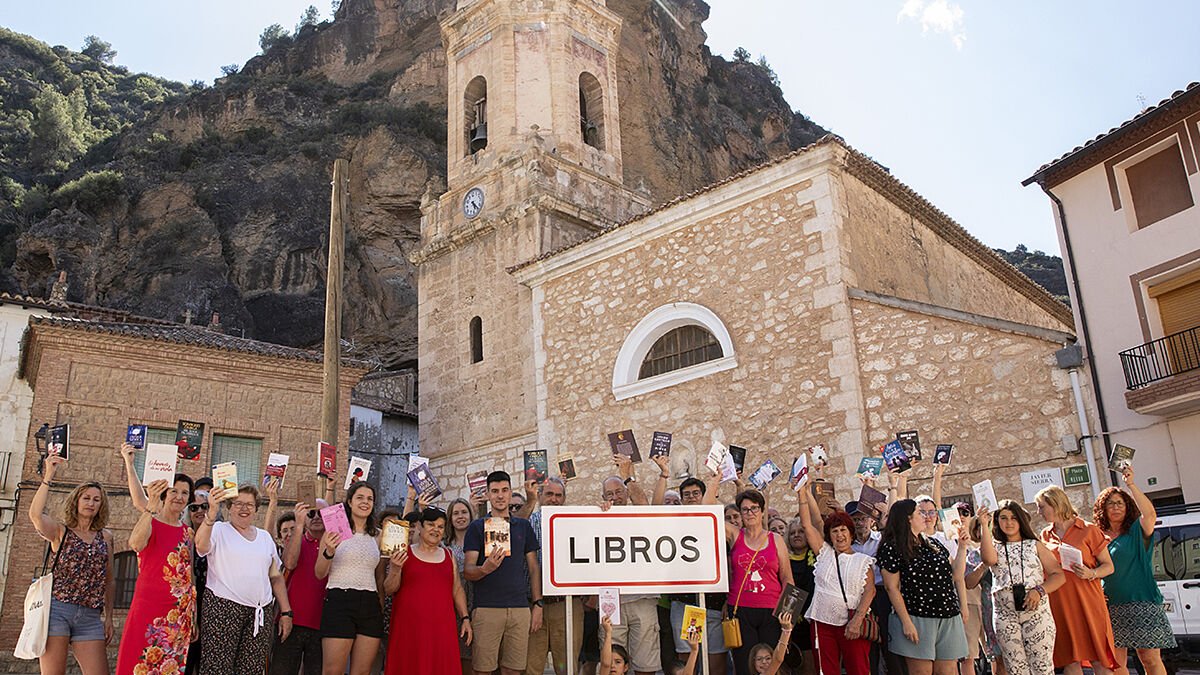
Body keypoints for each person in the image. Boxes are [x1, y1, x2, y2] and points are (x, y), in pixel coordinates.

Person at [28, 455, 113, 675]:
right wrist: (49, 475)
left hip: (90, 616)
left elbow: (110, 580)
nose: (91, 503)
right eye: (86, 498)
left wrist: (110, 617)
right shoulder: (60, 531)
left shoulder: (106, 537)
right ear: (76, 500)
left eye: (96, 499)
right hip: (57, 610)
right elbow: (35, 515)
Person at [195, 484, 293, 672]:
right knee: (217, 669)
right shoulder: (218, 530)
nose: (244, 508)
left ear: (256, 509)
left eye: (249, 504)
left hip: (259, 613)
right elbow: (200, 546)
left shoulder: (264, 538)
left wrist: (286, 612)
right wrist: (211, 514)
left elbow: (275, 577)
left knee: (252, 669)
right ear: (229, 507)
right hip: (223, 610)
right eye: (238, 503)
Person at [1094, 466, 1175, 675]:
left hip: (1142, 602)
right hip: (1109, 606)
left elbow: (1150, 514)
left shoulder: (1137, 532)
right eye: (1110, 503)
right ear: (1103, 509)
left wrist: (1130, 484)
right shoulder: (1096, 537)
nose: (1116, 507)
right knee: (1116, 664)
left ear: (1127, 506)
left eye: (1120, 503)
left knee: (1149, 659)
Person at [115, 468, 196, 674]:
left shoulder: (188, 532)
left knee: (171, 666)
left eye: (184, 493)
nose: (179, 497)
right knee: (137, 659)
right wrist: (150, 507)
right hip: (148, 607)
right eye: (173, 491)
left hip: (178, 613)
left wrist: (191, 615)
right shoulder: (151, 521)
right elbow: (135, 543)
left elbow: (189, 574)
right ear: (164, 494)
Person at [464, 471, 542, 675]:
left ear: (510, 493)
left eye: (505, 490)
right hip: (487, 609)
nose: (500, 496)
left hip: (519, 609)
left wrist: (538, 604)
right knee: (483, 670)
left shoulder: (523, 526)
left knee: (514, 670)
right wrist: (484, 569)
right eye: (495, 491)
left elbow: (533, 568)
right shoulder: (476, 527)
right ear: (488, 495)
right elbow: (468, 571)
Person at [1035, 485, 1118, 675]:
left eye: (1041, 506)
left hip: (1088, 601)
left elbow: (1109, 566)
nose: (1038, 512)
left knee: (1100, 661)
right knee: (1070, 661)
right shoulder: (1045, 535)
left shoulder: (1088, 529)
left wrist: (1092, 573)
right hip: (1060, 603)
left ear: (1055, 504)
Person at [879, 499, 968, 675]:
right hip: (916, 616)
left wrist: (963, 547)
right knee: (922, 672)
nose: (925, 517)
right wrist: (906, 622)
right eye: (920, 513)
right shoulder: (892, 547)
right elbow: (892, 587)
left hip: (947, 614)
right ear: (908, 519)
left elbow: (956, 575)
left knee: (949, 671)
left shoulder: (933, 543)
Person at [978, 501, 1065, 675]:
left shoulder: (1035, 545)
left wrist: (1039, 591)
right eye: (1003, 518)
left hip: (1037, 614)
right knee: (1016, 669)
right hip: (1005, 616)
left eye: (1014, 518)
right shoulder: (995, 547)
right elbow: (988, 560)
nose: (1009, 522)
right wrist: (983, 525)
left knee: (1042, 667)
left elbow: (1058, 575)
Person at [798, 483, 875, 675]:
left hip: (852, 621)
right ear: (830, 536)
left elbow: (870, 591)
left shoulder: (863, 560)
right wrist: (802, 493)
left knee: (859, 669)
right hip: (822, 622)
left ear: (850, 533)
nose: (840, 535)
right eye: (835, 531)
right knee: (826, 670)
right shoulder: (824, 554)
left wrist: (857, 620)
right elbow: (809, 524)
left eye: (843, 531)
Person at [384, 506, 471, 673]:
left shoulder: (449, 555)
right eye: (431, 525)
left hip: (441, 628)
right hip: (410, 629)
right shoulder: (403, 553)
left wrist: (465, 618)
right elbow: (389, 589)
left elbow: (457, 589)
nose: (435, 530)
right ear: (419, 527)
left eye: (440, 526)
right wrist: (395, 568)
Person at [316, 481, 385, 675]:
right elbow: (319, 573)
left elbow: (380, 577)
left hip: (370, 603)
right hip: (339, 600)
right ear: (349, 502)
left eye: (370, 499)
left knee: (362, 672)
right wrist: (329, 551)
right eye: (360, 498)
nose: (365, 502)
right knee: (332, 671)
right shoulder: (332, 532)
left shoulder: (378, 536)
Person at [599, 457, 658, 675]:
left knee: (645, 663)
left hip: (642, 596)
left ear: (626, 492)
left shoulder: (638, 513)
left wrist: (627, 476)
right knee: (611, 662)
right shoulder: (599, 516)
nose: (615, 497)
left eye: (618, 491)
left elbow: (643, 502)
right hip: (610, 600)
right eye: (609, 494)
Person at [724, 489, 793, 675]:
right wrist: (716, 478)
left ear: (762, 511)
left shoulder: (776, 540)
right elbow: (707, 515)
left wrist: (788, 615)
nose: (750, 513)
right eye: (745, 510)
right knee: (744, 664)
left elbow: (787, 577)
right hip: (741, 610)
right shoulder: (735, 535)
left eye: (754, 508)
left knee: (774, 664)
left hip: (772, 610)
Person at [666, 475, 729, 675]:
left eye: (696, 493)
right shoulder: (673, 525)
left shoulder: (718, 525)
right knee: (687, 663)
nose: (692, 498)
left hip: (715, 604)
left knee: (716, 663)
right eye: (687, 495)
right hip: (685, 603)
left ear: (703, 495)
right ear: (681, 499)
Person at [523, 477, 582, 675]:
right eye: (549, 494)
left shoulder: (576, 523)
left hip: (566, 605)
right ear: (539, 496)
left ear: (564, 498)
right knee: (531, 667)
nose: (554, 499)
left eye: (559, 495)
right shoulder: (528, 522)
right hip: (533, 606)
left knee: (567, 667)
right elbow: (511, 528)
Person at [271, 499, 330, 675]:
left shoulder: (337, 544)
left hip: (324, 625)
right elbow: (289, 563)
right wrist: (298, 525)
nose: (316, 517)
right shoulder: (296, 540)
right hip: (291, 622)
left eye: (321, 513)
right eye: (311, 513)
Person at [963, 516, 1004, 675]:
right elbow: (969, 582)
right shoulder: (975, 555)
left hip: (1012, 606)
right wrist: (984, 564)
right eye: (980, 528)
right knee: (996, 656)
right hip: (990, 607)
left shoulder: (1005, 548)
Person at [446, 496, 476, 675]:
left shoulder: (480, 542)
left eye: (464, 512)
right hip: (452, 607)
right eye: (455, 513)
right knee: (456, 655)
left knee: (473, 658)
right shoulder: (444, 545)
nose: (460, 516)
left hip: (477, 602)